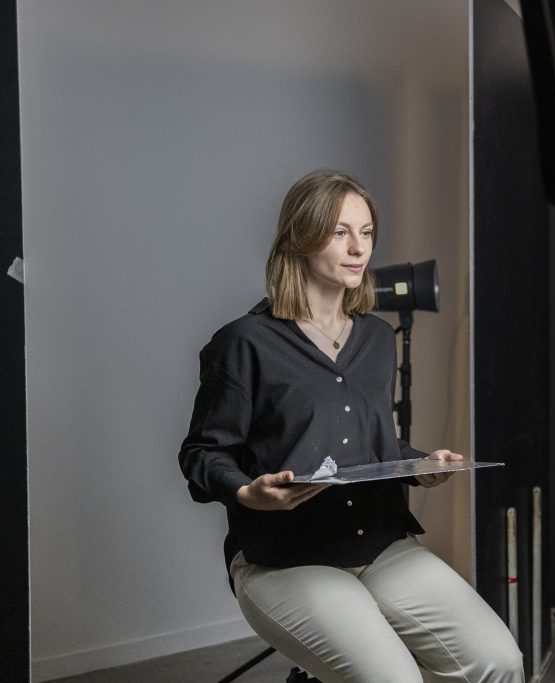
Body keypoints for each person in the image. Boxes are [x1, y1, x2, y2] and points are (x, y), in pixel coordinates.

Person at [178, 170, 524, 682]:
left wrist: (419, 464)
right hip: (285, 558)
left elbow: (370, 443)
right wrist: (248, 493)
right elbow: (203, 454)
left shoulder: (377, 340)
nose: (358, 247)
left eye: (365, 232)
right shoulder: (243, 342)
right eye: (340, 232)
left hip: (380, 544)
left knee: (500, 662)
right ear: (300, 237)